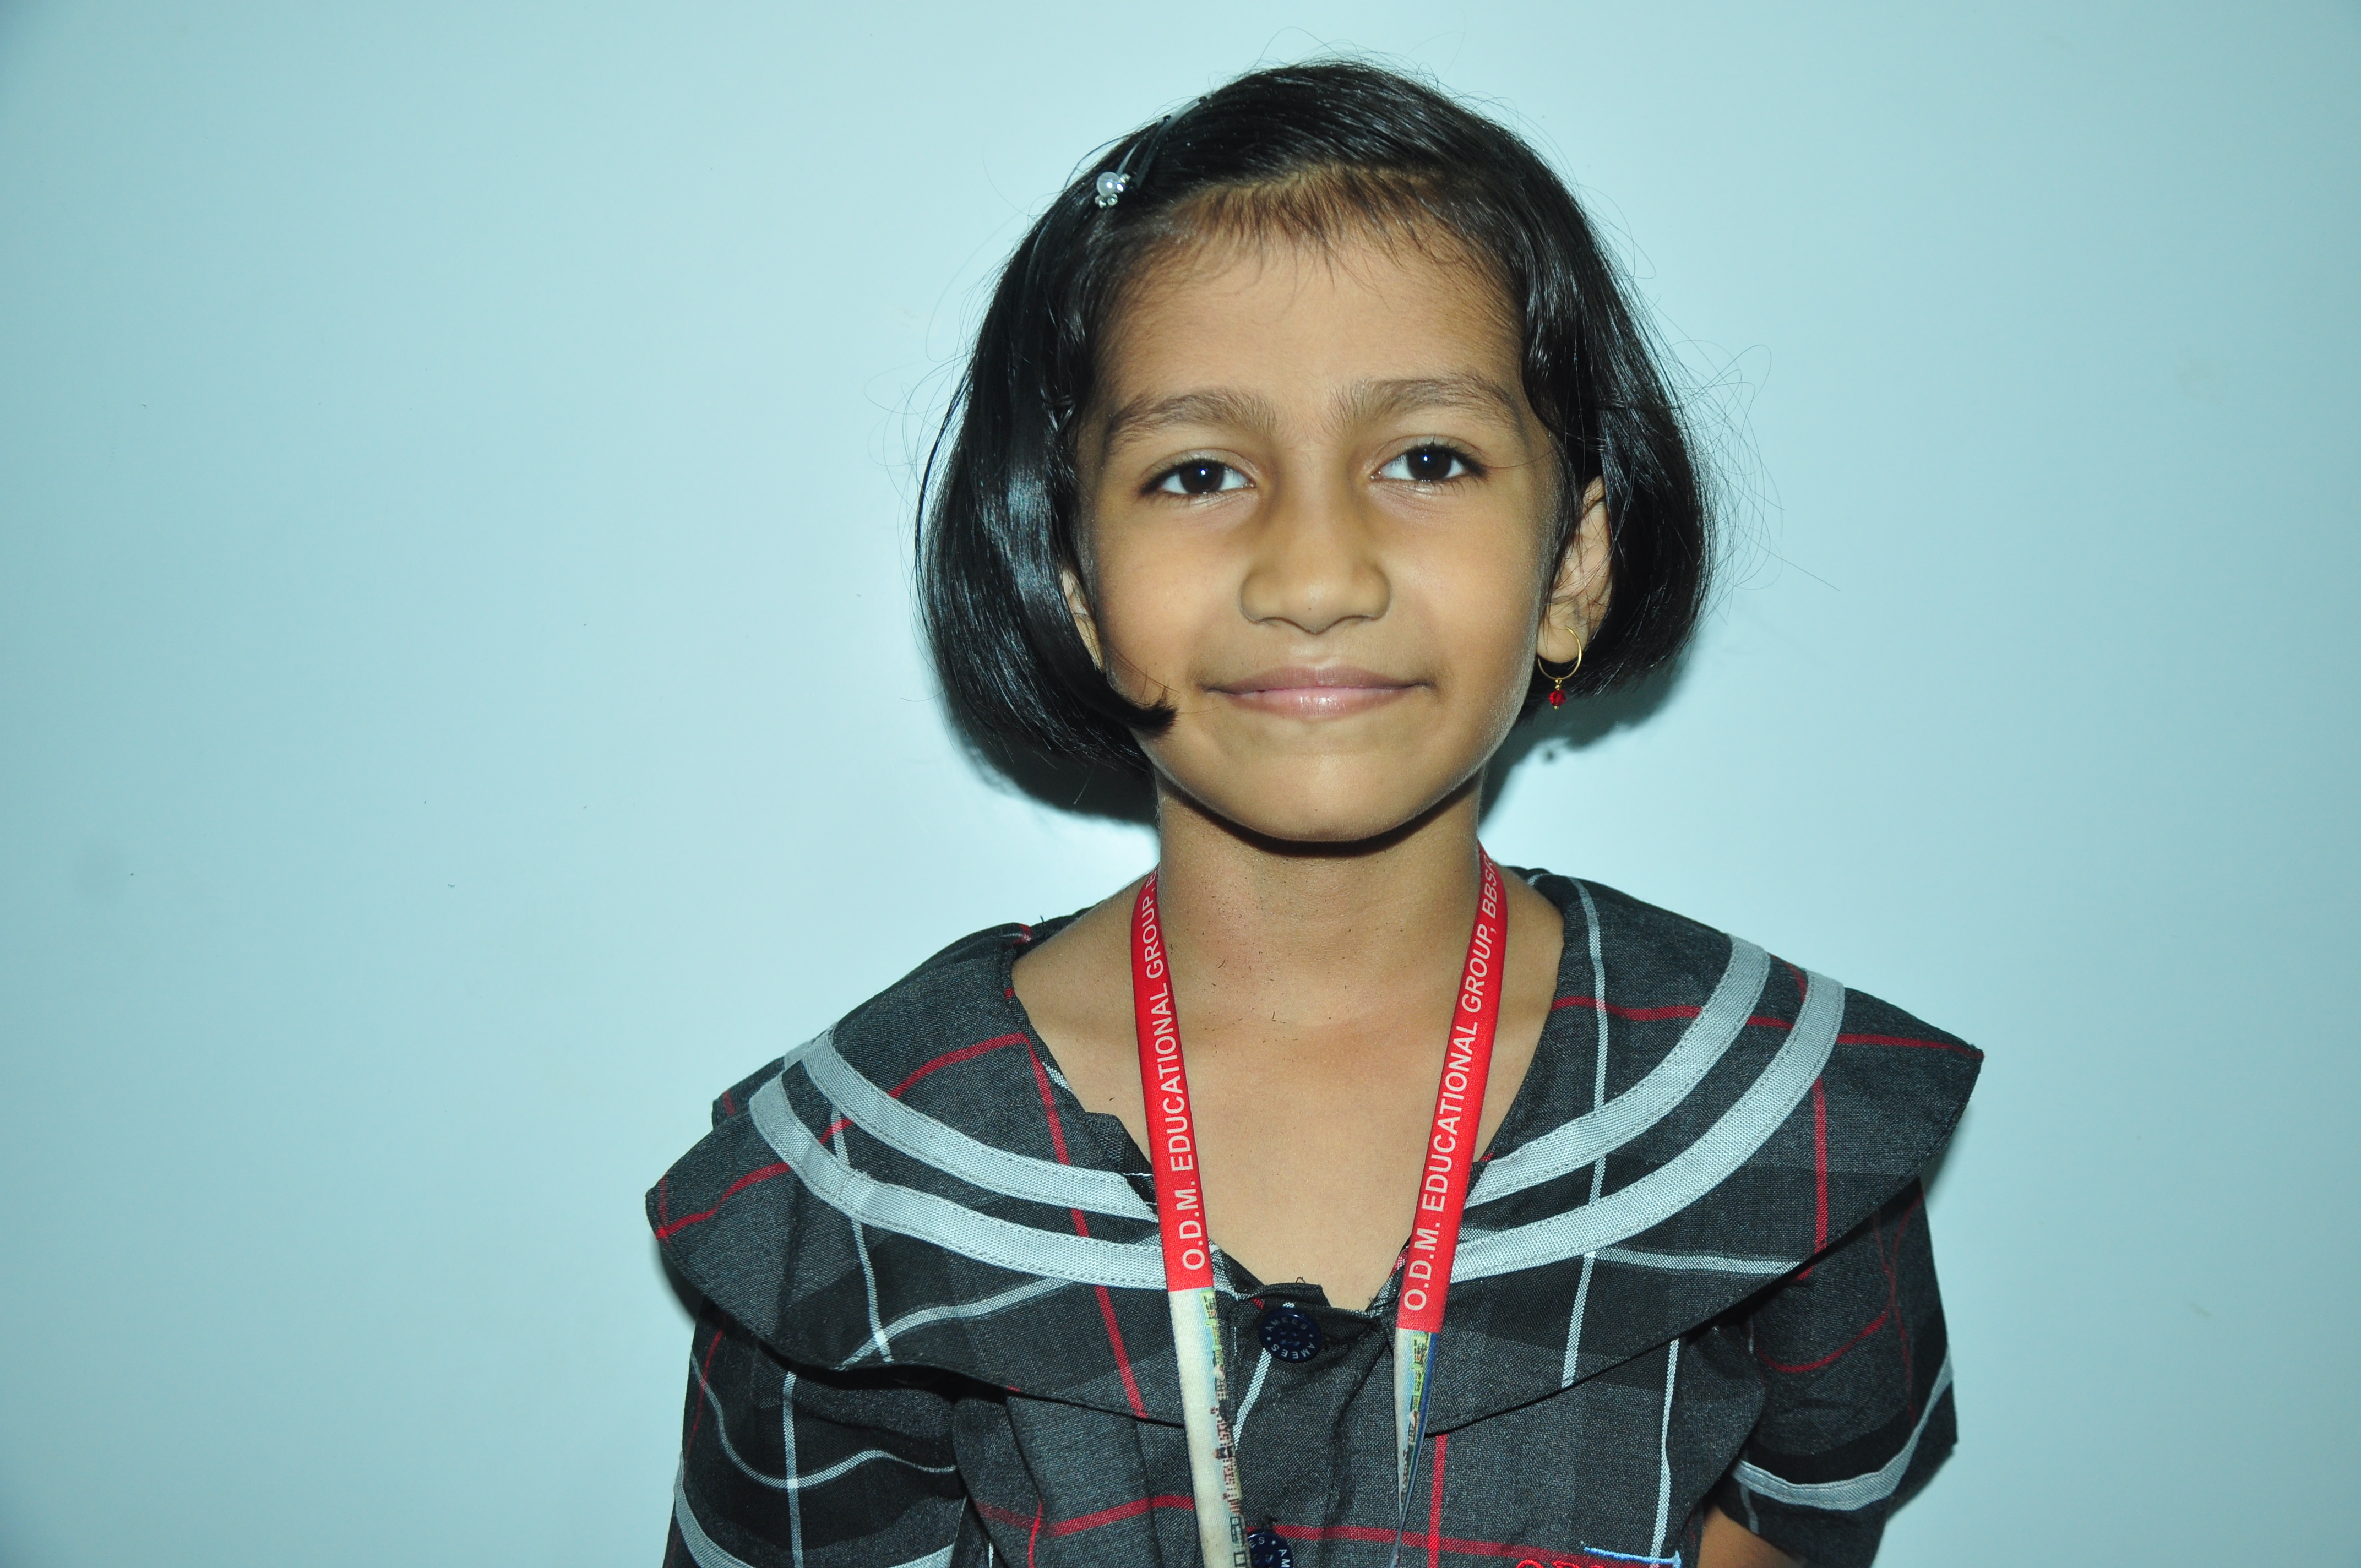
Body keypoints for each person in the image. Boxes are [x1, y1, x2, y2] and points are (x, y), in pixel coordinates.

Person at [649, 61, 1979, 1568]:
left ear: (1573, 567)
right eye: (1199, 473)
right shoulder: (879, 1168)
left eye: (1428, 459)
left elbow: (1803, 1515)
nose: (1317, 574)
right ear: (1075, 587)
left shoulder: (1772, 1115)